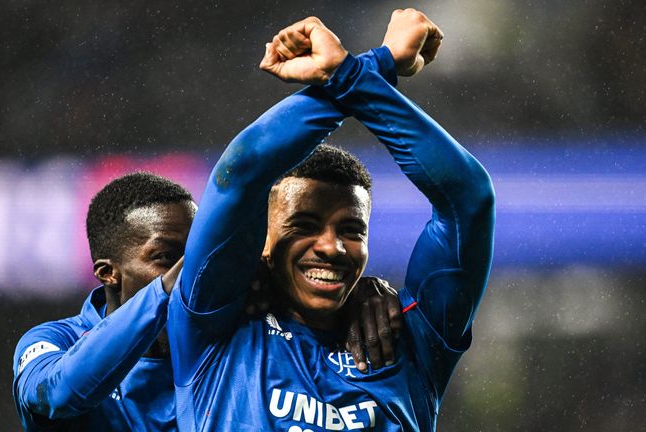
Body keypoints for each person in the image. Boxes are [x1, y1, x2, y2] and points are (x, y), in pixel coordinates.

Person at [168, 9, 494, 432]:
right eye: (303, 226)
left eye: (351, 230)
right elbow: (241, 171)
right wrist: (372, 67)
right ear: (262, 243)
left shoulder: (409, 339)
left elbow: (469, 199)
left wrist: (347, 73)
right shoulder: (214, 325)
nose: (332, 247)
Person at [12, 172, 401, 431]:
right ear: (107, 272)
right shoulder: (54, 342)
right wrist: (172, 287)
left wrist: (360, 293)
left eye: (199, 252)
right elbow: (59, 394)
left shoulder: (234, 328)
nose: (197, 270)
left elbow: (314, 286)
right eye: (167, 257)